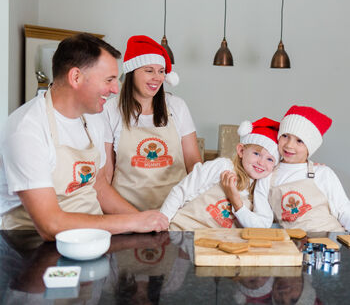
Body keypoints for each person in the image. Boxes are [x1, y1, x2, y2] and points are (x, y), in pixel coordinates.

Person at [0, 33, 168, 241]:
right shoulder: (26, 129)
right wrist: (134, 222)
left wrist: (147, 221)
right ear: (76, 77)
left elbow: (98, 186)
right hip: (32, 246)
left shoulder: (93, 118)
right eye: (109, 80)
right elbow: (50, 225)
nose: (116, 89)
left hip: (92, 238)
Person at [103, 35, 202, 211]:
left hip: (174, 211)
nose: (157, 77)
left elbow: (193, 163)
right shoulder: (110, 110)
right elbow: (106, 173)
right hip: (125, 212)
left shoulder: (177, 106)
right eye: (149, 70)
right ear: (132, 73)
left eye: (161, 71)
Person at [240, 105, 350, 232]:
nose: (289, 145)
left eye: (299, 141)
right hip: (293, 245)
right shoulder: (267, 176)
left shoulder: (322, 173)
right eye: (285, 136)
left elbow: (344, 211)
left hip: (330, 242)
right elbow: (262, 220)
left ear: (310, 147)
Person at [159, 117, 280, 230]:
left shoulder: (261, 189)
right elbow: (181, 191)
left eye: (270, 159)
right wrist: (161, 225)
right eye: (256, 154)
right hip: (183, 230)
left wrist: (236, 200)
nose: (261, 162)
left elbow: (261, 225)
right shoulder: (223, 166)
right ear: (241, 151)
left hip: (216, 245)